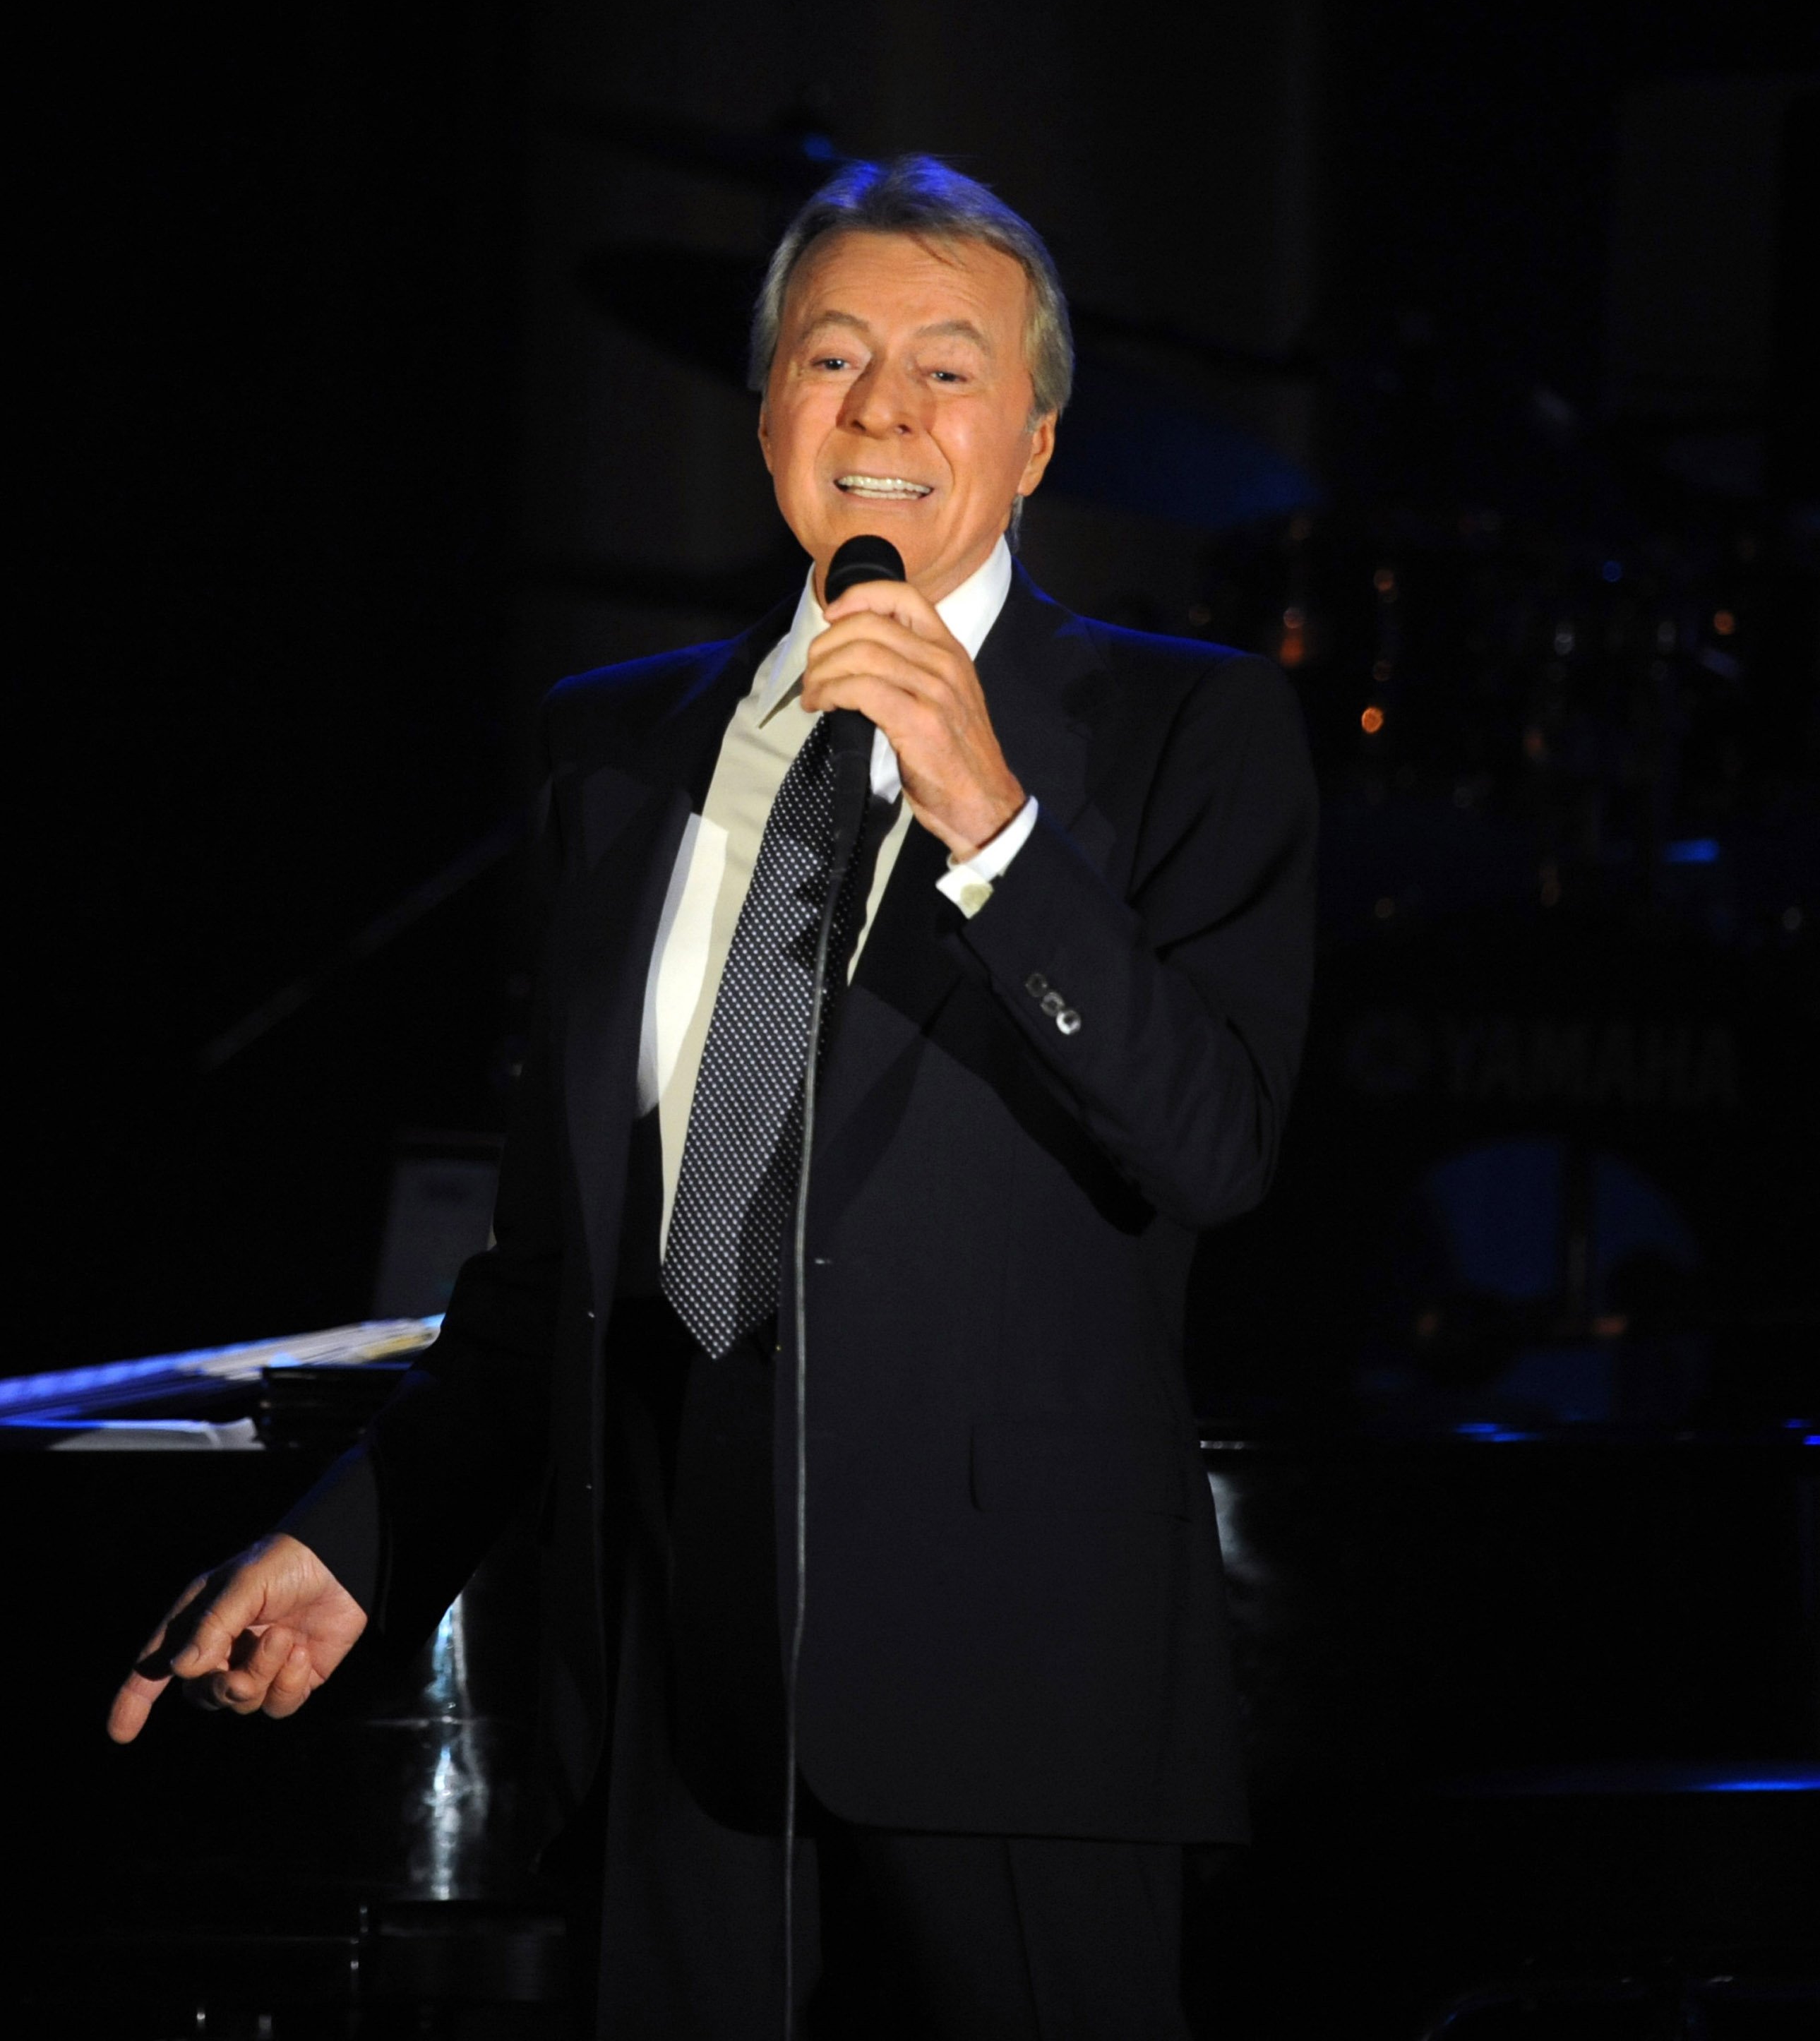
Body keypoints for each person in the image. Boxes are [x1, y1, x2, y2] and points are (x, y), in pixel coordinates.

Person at [110, 155, 1317, 2039]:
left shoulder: (1185, 732)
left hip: (1013, 1700)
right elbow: (553, 1273)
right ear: (767, 413)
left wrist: (990, 818)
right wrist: (358, 1544)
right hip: (668, 1695)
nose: (884, 412)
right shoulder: (618, 747)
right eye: (831, 359)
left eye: (946, 369)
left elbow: (1213, 1145)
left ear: (1034, 440)